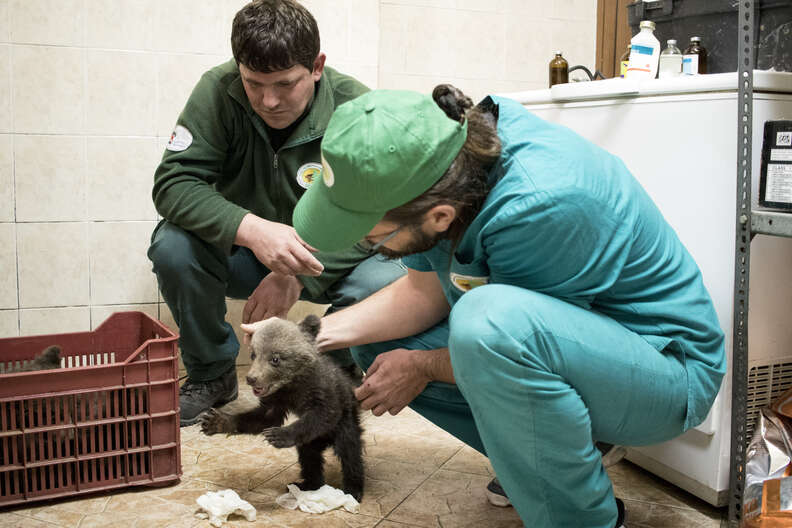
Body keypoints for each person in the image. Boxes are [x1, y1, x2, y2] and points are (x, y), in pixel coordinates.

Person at [274, 86, 725, 527]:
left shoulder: (541, 204)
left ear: (439, 217)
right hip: (572, 350)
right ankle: (568, 455)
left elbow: (510, 342)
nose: (365, 244)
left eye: (372, 236)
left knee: (483, 323)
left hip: (665, 372)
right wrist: (304, 339)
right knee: (381, 348)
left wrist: (425, 366)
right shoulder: (443, 162)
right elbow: (422, 292)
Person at [147, 0, 405, 427]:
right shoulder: (217, 89)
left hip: (334, 258)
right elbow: (173, 183)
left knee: (389, 276)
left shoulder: (357, 107)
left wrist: (296, 271)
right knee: (173, 245)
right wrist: (251, 230)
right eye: (253, 83)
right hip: (251, 256)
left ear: (317, 66)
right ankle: (212, 375)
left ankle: (334, 369)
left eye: (286, 84)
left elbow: (384, 216)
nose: (268, 100)